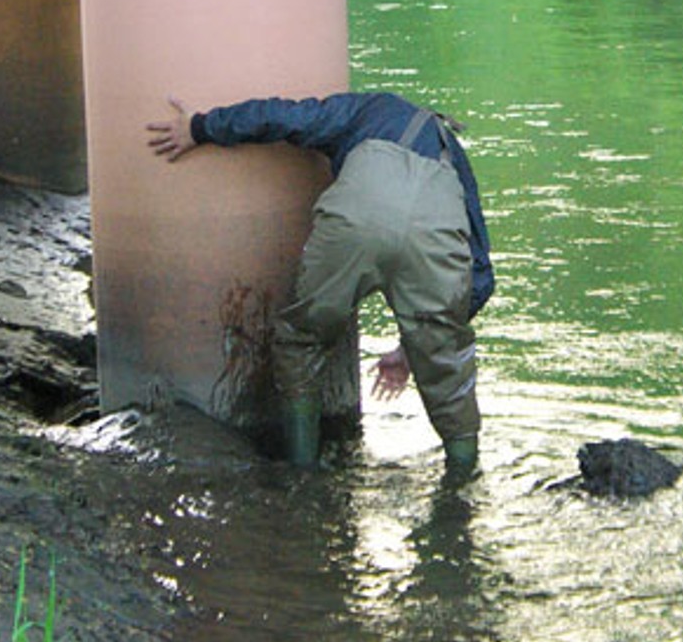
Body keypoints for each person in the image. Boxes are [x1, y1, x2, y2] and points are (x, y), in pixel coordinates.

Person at [147, 92, 493, 471]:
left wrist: (200, 127)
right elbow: (479, 277)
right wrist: (413, 349)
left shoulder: (365, 109)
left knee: (300, 340)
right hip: (435, 238)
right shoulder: (454, 156)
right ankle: (462, 490)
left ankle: (303, 471)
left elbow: (282, 117)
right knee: (448, 374)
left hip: (354, 222)